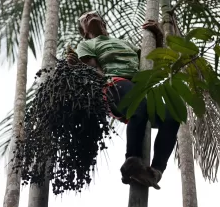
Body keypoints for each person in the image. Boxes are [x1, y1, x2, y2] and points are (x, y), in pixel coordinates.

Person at [72, 10, 180, 189]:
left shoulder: (124, 43)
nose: (89, 17)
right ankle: (133, 161)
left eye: (93, 14)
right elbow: (92, 69)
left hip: (139, 88)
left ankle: (156, 171)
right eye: (84, 18)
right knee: (139, 105)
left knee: (172, 116)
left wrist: (159, 35)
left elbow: (153, 63)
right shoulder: (87, 44)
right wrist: (105, 81)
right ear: (84, 31)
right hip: (113, 84)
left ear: (104, 24)